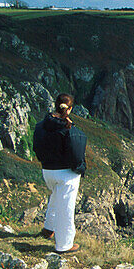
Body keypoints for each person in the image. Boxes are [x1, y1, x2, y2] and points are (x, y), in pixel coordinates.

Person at [32, 93, 87, 254]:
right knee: (66, 208)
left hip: (47, 171)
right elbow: (77, 156)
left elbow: (36, 147)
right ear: (69, 109)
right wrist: (81, 169)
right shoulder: (69, 129)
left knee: (56, 197)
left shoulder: (41, 126)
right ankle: (64, 245)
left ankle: (48, 229)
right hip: (66, 174)